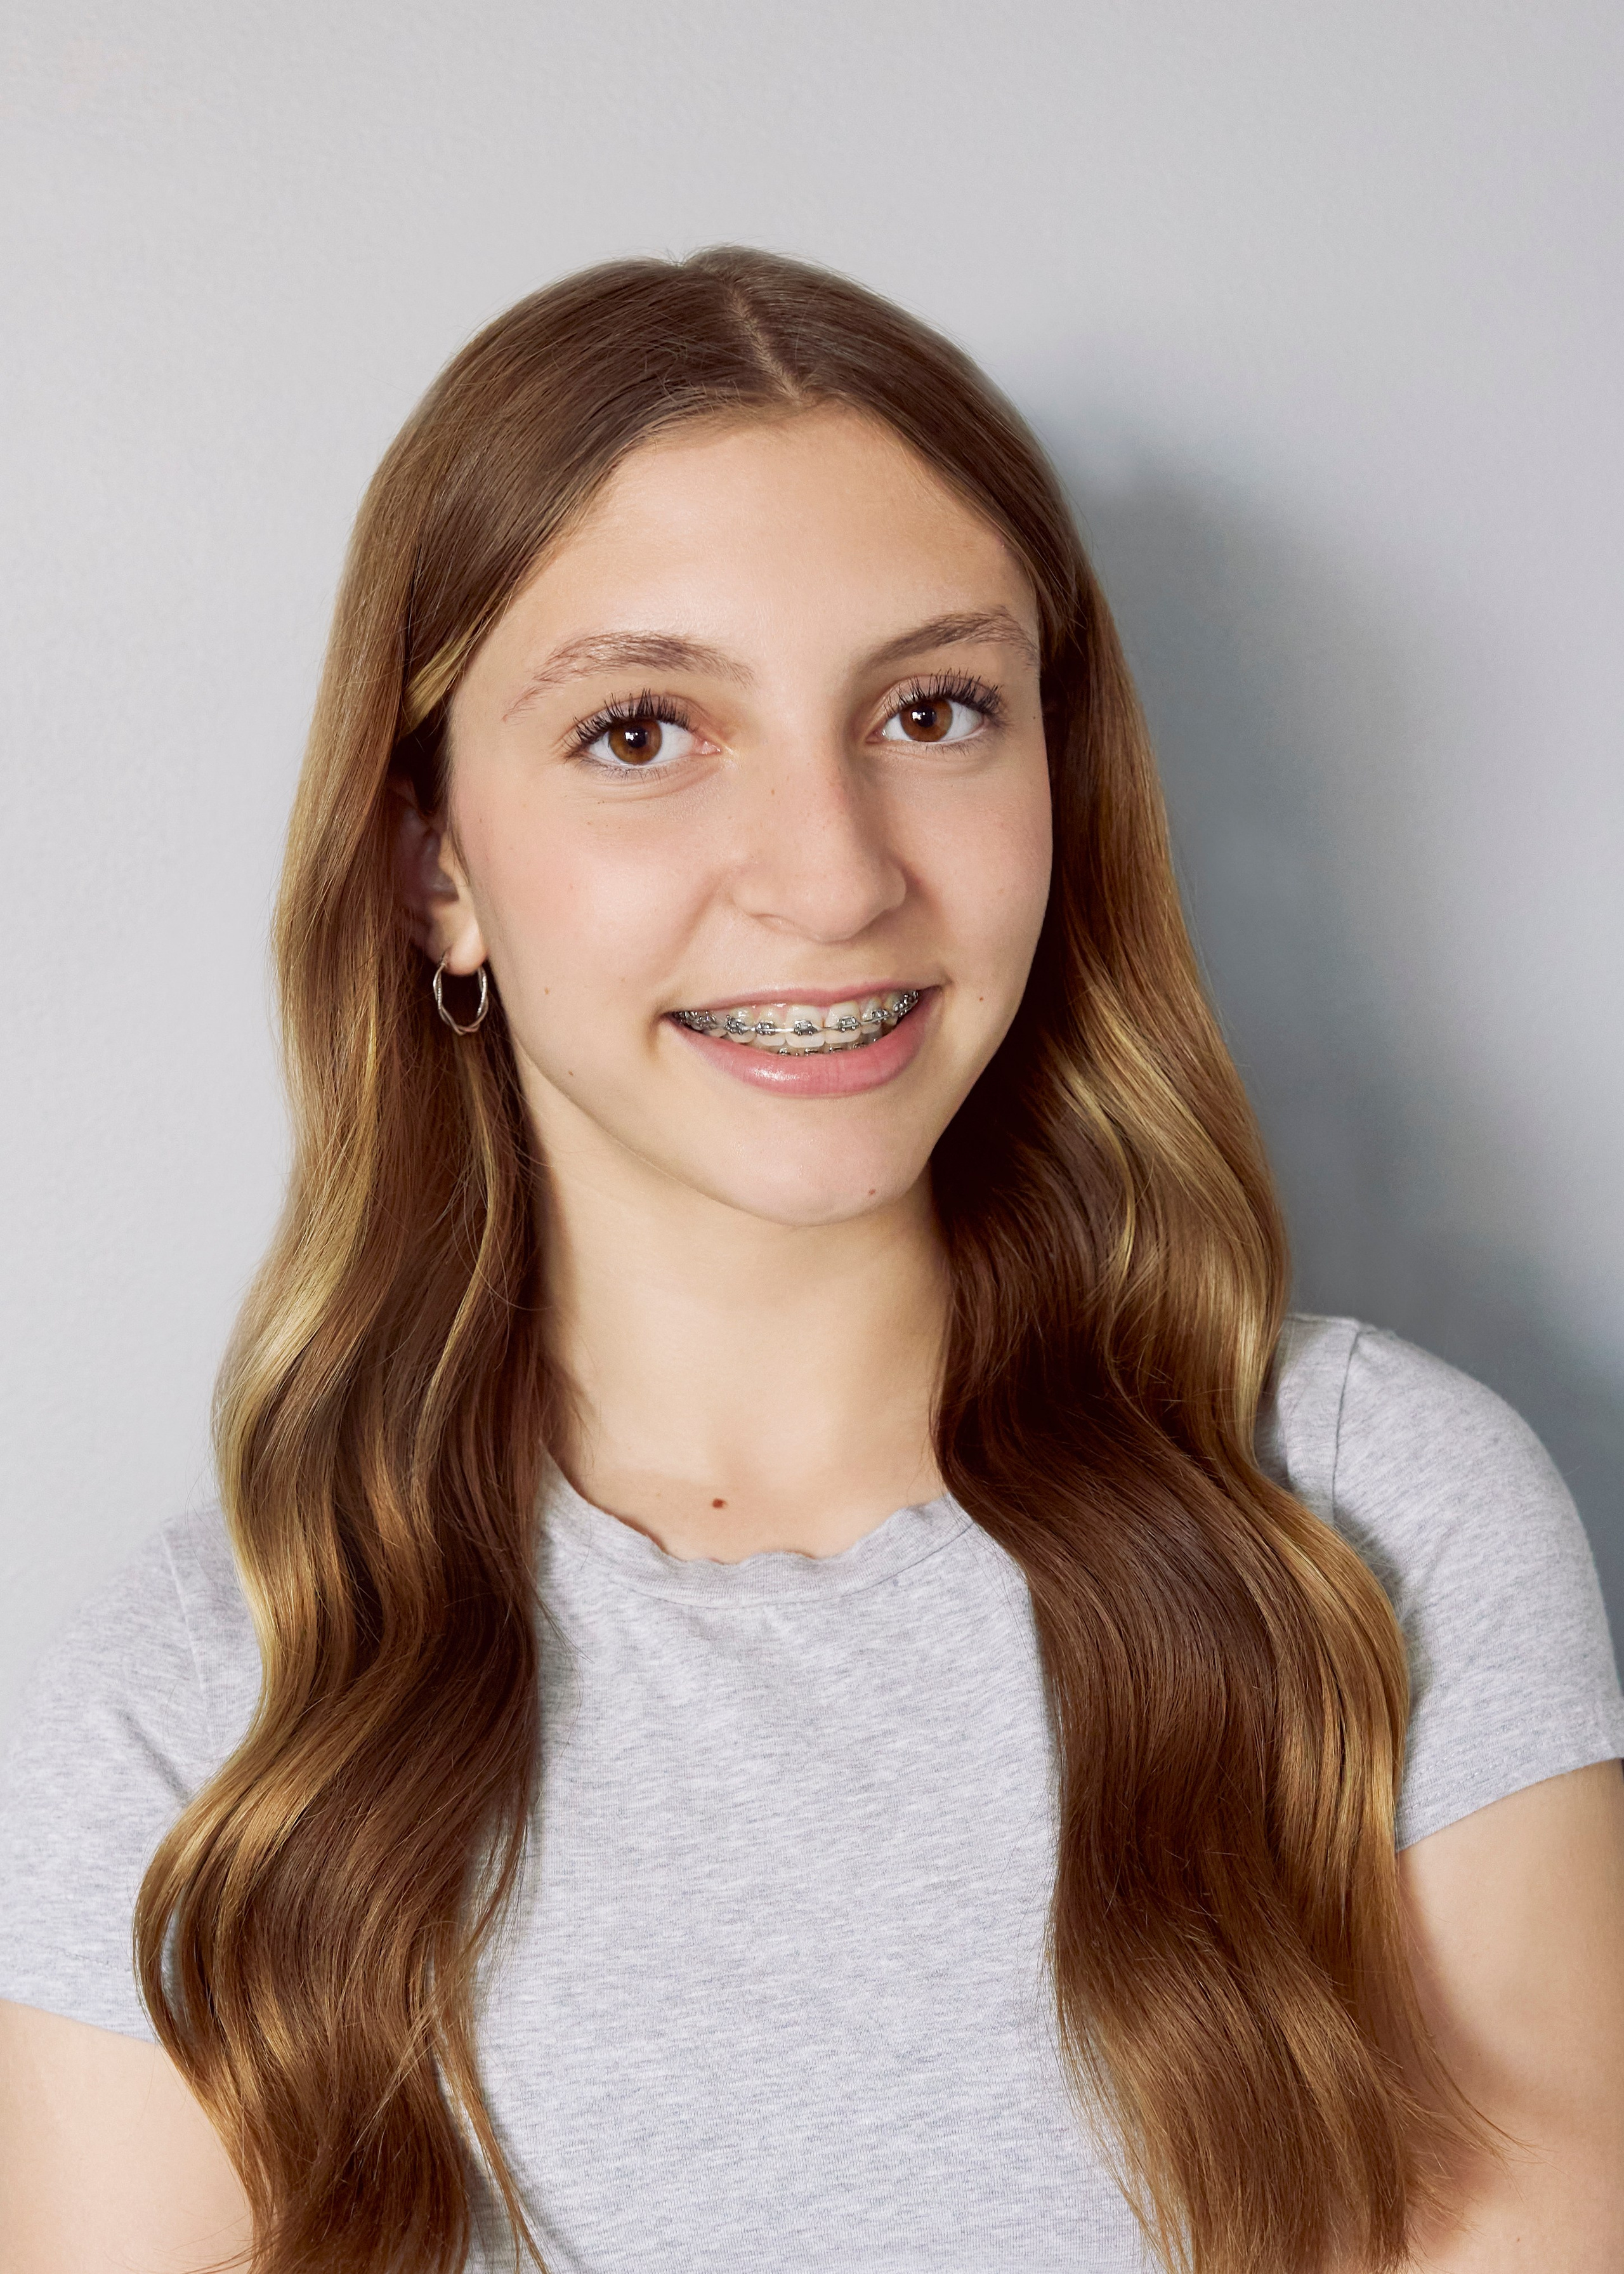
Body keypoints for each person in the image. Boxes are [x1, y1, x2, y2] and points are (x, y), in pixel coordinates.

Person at [1, 247, 1621, 2274]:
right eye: (643, 732)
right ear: (434, 871)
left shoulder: (1380, 1529)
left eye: (934, 710)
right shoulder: (198, 1717)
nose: (837, 874)